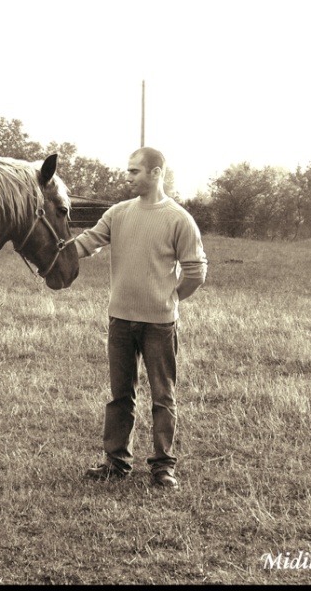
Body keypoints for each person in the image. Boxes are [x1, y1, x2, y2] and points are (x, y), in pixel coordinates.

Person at [73, 147, 207, 489]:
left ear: (156, 172)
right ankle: (116, 462)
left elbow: (195, 271)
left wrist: (171, 298)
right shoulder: (118, 213)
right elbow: (87, 243)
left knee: (163, 396)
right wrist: (51, 251)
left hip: (160, 325)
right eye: (129, 171)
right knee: (120, 395)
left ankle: (163, 467)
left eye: (134, 171)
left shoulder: (179, 219)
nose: (128, 176)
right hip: (119, 320)